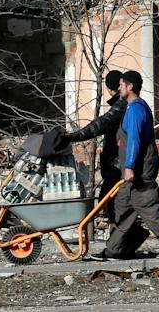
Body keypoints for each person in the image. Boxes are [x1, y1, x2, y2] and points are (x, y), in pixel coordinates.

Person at [92, 70, 159, 260]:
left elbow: (134, 140)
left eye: (122, 85)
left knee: (147, 205)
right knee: (122, 206)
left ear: (130, 87)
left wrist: (129, 167)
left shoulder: (135, 109)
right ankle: (116, 249)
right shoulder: (131, 108)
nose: (119, 88)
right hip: (131, 168)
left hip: (139, 169)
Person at [64, 70, 126, 219]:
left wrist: (73, 136)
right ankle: (119, 237)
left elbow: (100, 124)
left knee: (109, 203)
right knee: (113, 206)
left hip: (118, 164)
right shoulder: (124, 105)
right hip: (117, 163)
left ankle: (120, 236)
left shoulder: (121, 106)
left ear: (111, 88)